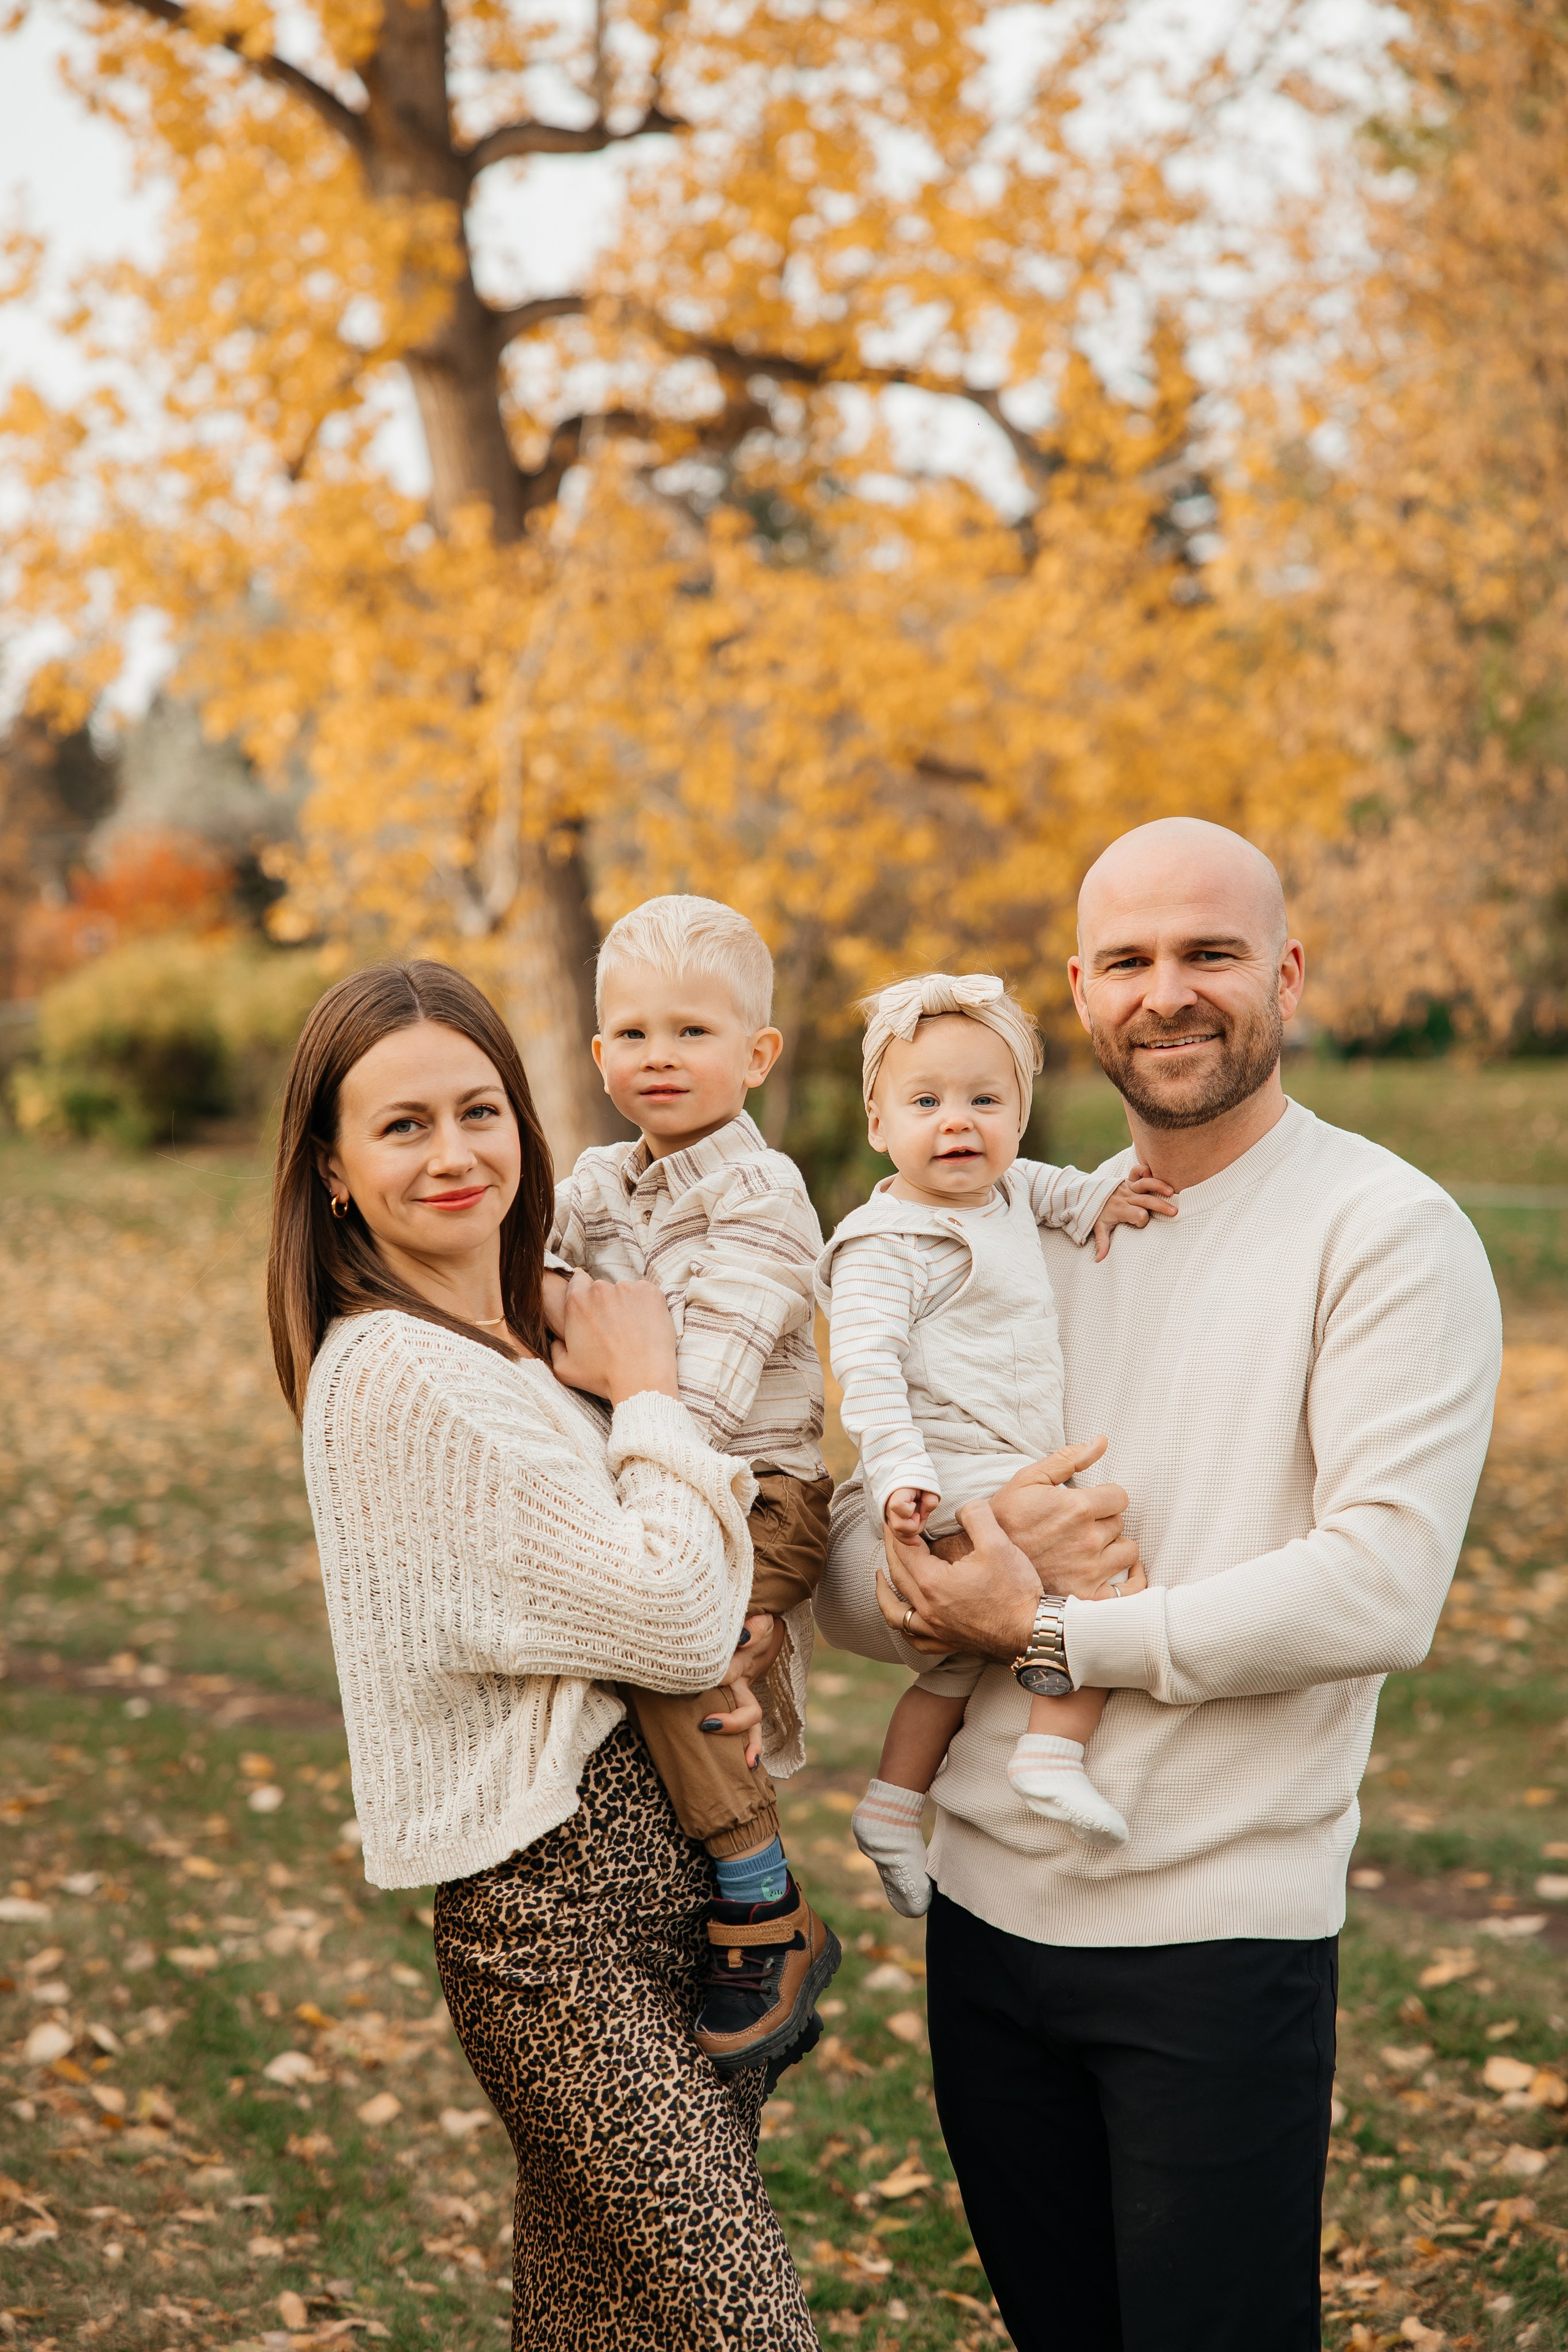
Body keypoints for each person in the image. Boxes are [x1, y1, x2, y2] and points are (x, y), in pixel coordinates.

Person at [814, 818, 1502, 2352]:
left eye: (1207, 953)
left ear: (1286, 973)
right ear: (1077, 989)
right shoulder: (1004, 1222)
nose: (1166, 994)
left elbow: (1376, 1589)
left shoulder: (1381, 1232)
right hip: (984, 1928)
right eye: (1126, 961)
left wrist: (1045, 1628)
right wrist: (960, 1563)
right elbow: (854, 1557)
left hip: (1214, 1940)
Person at [266, 959, 817, 2352]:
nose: (453, 1155)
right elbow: (675, 1607)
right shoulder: (401, 1375)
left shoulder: (523, 1341)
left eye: (479, 1111)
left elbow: (691, 1584)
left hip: (675, 1902)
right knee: (743, 2325)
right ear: (331, 1169)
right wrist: (651, 1393)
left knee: (602, 2329)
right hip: (554, 1930)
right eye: (401, 1126)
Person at [543, 894, 840, 2073]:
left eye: (692, 1033)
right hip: (663, 1459)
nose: (657, 1057)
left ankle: (766, 1908)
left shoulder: (761, 1199)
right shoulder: (599, 1181)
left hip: (759, 1484)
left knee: (680, 1649)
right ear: (599, 1047)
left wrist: (599, 1376)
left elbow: (699, 1390)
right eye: (631, 1032)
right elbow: (534, 1297)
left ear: (757, 1055)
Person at [814, 970, 1173, 1910]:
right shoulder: (883, 1246)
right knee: (1109, 1584)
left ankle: (891, 1806)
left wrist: (1102, 1202)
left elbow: (1059, 1193)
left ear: (1019, 1114)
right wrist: (900, 1476)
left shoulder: (1013, 1192)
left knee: (958, 1665)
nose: (958, 1122)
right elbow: (868, 1369)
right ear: (878, 1126)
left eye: (986, 1099)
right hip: (949, 1472)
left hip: (1004, 1463)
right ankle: (1052, 1753)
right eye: (926, 1102)